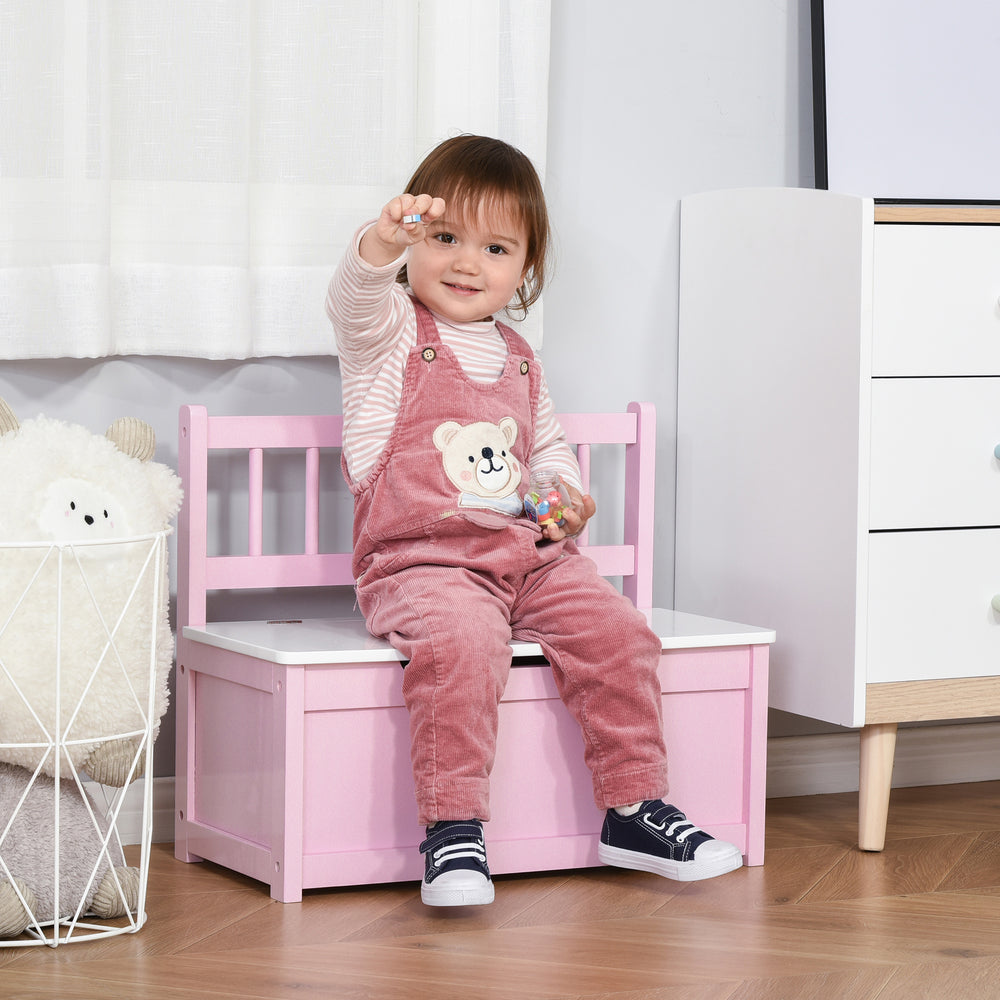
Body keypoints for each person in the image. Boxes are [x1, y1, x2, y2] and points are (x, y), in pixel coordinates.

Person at [326, 134, 742, 907]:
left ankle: (633, 804)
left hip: (529, 560)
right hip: (423, 564)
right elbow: (351, 299)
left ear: (525, 270)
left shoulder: (520, 357)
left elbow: (546, 449)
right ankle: (452, 831)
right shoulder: (387, 336)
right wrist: (380, 241)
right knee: (461, 641)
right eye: (444, 238)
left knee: (621, 629)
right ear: (415, 243)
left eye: (495, 248)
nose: (465, 263)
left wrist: (564, 496)